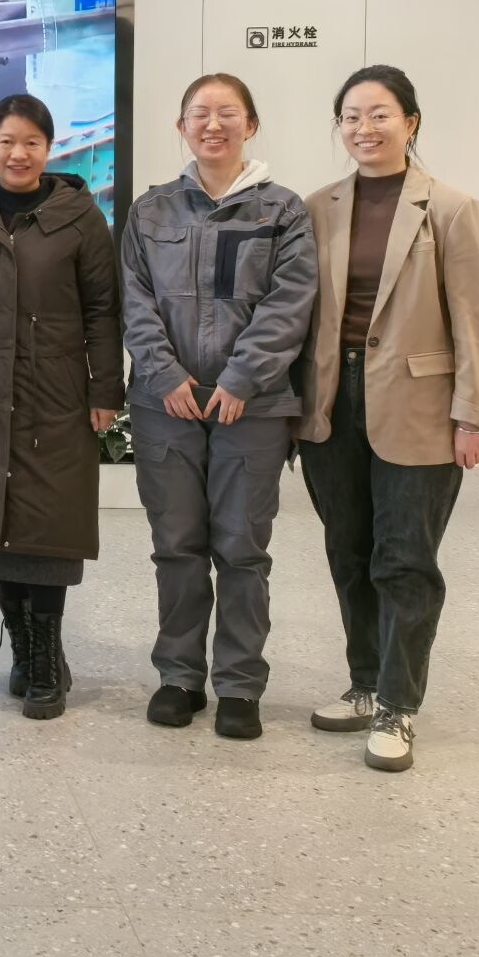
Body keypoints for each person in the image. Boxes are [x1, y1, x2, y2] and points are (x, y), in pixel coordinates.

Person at [296, 66, 479, 772]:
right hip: (331, 403)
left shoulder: (450, 208)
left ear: (410, 122)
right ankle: (363, 683)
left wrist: (471, 414)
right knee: (348, 552)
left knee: (404, 560)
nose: (364, 128)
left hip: (418, 404)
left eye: (379, 114)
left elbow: (472, 321)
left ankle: (397, 705)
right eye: (350, 117)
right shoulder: (317, 207)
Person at [121, 74, 315, 740]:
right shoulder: (151, 211)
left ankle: (238, 683)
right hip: (164, 406)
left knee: (241, 548)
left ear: (249, 125)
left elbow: (289, 304)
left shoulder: (282, 210)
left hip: (252, 408)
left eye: (227, 113)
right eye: (199, 114)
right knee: (176, 545)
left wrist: (241, 379)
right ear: (180, 127)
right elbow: (134, 299)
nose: (213, 124)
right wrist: (162, 373)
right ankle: (179, 675)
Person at [0, 95, 122, 720]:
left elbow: (103, 309)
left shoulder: (80, 217)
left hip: (57, 392)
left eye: (32, 143)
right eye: (7, 142)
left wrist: (105, 389)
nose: (19, 154)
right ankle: (23, 650)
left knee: (49, 528)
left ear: (49, 147)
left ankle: (46, 663)